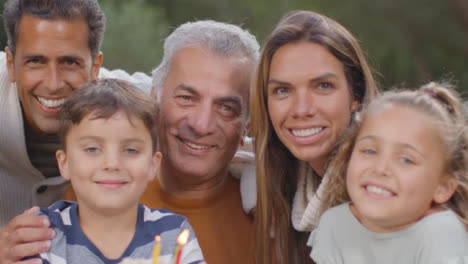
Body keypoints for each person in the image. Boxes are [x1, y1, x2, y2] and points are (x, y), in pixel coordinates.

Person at [0, 0, 150, 262]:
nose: (54, 83)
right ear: (11, 64)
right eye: (35, 61)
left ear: (95, 66)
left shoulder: (132, 104)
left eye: (69, 62)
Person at [250, 10, 379, 263]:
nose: (302, 109)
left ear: (356, 94)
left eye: (323, 86)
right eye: (283, 90)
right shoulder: (293, 185)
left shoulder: (382, 189)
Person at [35, 78, 204, 263]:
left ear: (152, 165)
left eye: (131, 150)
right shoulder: (42, 232)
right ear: (65, 162)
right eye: (92, 149)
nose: (112, 163)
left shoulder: (173, 234)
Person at [140, 20, 259, 264]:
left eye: (226, 108)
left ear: (247, 125)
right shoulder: (90, 194)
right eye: (186, 98)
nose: (201, 125)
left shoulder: (272, 224)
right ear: (155, 98)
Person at [309, 82, 468, 263]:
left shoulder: (440, 234)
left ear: (443, 187)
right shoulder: (335, 225)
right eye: (370, 151)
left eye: (406, 160)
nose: (380, 168)